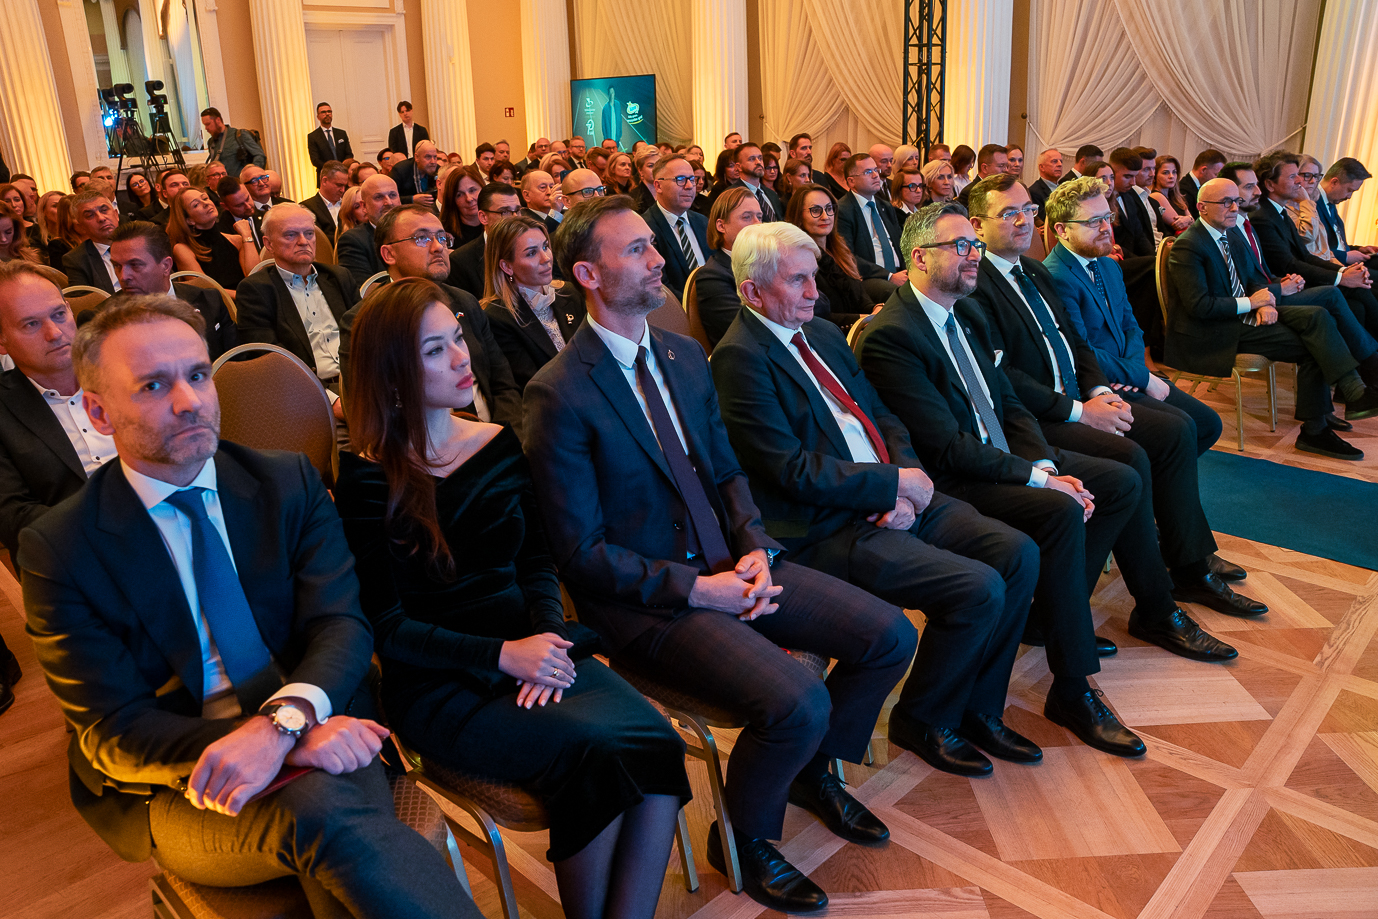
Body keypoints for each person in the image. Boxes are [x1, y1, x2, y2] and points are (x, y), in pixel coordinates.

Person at [20, 293, 480, 917]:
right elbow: (112, 732)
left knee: (327, 820)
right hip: (186, 781)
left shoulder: (286, 482)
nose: (188, 401)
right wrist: (282, 740)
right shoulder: (62, 546)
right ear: (99, 412)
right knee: (323, 810)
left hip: (319, 722)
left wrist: (287, 722)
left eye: (197, 375)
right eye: (153, 385)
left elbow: (340, 625)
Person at [525, 196, 917, 913]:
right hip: (651, 604)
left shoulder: (682, 357)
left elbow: (728, 473)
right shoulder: (559, 392)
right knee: (798, 699)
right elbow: (580, 553)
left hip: (731, 564)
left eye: (654, 244)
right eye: (636, 250)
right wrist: (700, 590)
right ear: (587, 272)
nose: (659, 260)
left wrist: (756, 548)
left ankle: (809, 771)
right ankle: (744, 833)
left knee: (889, 636)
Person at [335, 276, 687, 919]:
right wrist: (505, 656)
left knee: (657, 742)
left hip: (537, 651)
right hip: (443, 683)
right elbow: (386, 626)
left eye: (458, 338)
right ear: (392, 376)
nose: (462, 357)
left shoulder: (497, 444)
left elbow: (536, 563)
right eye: (435, 350)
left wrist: (547, 638)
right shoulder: (365, 478)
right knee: (594, 753)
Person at [711, 222, 1043, 777]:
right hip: (828, 525)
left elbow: (881, 413)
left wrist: (906, 475)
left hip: (890, 491)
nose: (815, 291)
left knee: (1016, 554)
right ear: (752, 292)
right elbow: (789, 469)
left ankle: (977, 708)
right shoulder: (738, 358)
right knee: (976, 587)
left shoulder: (820, 333)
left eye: (814, 276)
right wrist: (890, 486)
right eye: (797, 281)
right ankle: (920, 721)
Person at [858, 201, 1156, 758]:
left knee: (1118, 481)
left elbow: (1008, 402)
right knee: (1059, 511)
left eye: (974, 244)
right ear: (919, 257)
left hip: (1000, 457)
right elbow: (946, 447)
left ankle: (1051, 618)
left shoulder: (965, 313)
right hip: (952, 479)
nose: (974, 255)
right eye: (960, 246)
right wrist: (1039, 482)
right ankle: (1072, 689)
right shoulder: (892, 336)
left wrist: (1044, 467)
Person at [965, 175, 1261, 637]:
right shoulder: (975, 283)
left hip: (1081, 394)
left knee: (1175, 434)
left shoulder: (1034, 271)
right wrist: (1084, 409)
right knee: (1141, 456)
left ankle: (1176, 574)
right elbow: (1001, 378)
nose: (1024, 220)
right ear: (977, 226)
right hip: (1035, 416)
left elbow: (1078, 345)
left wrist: (1100, 389)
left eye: (1027, 210)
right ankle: (1160, 598)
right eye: (1009, 213)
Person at [1167, 177, 1378, 458]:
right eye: (1226, 202)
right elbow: (1199, 307)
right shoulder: (1189, 245)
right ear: (1202, 207)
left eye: (1236, 201)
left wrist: (1263, 301)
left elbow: (1253, 278)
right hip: (1214, 331)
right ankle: (1322, 424)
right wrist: (1253, 302)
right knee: (1316, 342)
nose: (1234, 208)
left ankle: (1347, 397)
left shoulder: (1230, 233)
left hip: (1244, 316)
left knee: (1318, 317)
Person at [1043, 178, 1223, 455]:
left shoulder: (1107, 266)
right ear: (1062, 230)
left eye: (1107, 217)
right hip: (1097, 384)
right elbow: (1079, 351)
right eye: (1093, 221)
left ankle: (1159, 475)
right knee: (1181, 428)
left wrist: (1137, 371)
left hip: (1128, 374)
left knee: (1208, 423)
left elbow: (1131, 326)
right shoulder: (1055, 276)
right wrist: (1141, 377)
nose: (1106, 228)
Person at [340, 204, 523, 435]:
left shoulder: (464, 301)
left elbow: (503, 383)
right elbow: (373, 412)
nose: (438, 247)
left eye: (442, 237)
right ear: (389, 254)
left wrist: (506, 437)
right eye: (421, 238)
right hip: (423, 444)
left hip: (493, 433)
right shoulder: (365, 320)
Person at [0, 260, 117, 560]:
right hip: (72, 558)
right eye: (31, 324)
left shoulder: (124, 373)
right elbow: (12, 516)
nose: (54, 333)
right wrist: (113, 525)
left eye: (58, 314)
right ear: (2, 340)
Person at [1250, 152, 1378, 342]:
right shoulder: (1267, 215)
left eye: (1313, 176)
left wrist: (1343, 271)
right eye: (1294, 176)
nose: (1301, 181)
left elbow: (1308, 254)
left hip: (1304, 273)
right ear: (1270, 184)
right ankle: (1371, 356)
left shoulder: (1279, 211)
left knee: (1360, 295)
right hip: (1288, 282)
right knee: (1357, 291)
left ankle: (1367, 356)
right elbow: (1293, 258)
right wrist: (1341, 276)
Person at [479, 216, 585, 391]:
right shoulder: (497, 316)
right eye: (531, 253)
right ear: (507, 266)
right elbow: (532, 383)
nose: (546, 258)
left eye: (545, 247)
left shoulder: (569, 292)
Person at [109, 221, 238, 360]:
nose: (123, 276)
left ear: (166, 265)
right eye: (117, 266)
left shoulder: (210, 301)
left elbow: (237, 363)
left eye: (135, 265)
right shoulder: (104, 319)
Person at [786, 185, 879, 334]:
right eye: (816, 210)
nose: (825, 216)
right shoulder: (798, 261)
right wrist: (864, 319)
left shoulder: (840, 249)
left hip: (861, 328)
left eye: (829, 209)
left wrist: (875, 308)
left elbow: (860, 297)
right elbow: (818, 316)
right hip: (828, 334)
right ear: (799, 216)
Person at [693, 188, 762, 346]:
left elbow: (816, 304)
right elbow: (748, 330)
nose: (758, 224)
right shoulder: (712, 276)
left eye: (759, 217)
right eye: (747, 217)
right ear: (721, 226)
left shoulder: (768, 262)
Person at [639, 156, 709, 301]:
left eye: (692, 179)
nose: (689, 186)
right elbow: (659, 286)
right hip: (677, 309)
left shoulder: (702, 222)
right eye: (680, 179)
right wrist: (694, 307)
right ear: (658, 186)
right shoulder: (645, 228)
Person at [835, 154, 908, 292]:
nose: (876, 176)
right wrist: (889, 276)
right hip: (869, 277)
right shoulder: (844, 210)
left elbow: (902, 243)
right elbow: (847, 256)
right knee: (893, 292)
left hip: (899, 273)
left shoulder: (885, 206)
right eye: (868, 172)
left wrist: (907, 271)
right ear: (851, 181)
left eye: (876, 170)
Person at [168, 188, 257, 293]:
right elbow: (205, 290)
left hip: (247, 297)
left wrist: (247, 235)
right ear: (189, 220)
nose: (206, 203)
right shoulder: (182, 249)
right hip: (221, 302)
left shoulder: (236, 240)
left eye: (205, 198)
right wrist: (244, 297)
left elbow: (256, 277)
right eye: (196, 205)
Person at [448, 182, 522, 297]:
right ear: (483, 217)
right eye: (505, 212)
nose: (515, 218)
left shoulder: (532, 248)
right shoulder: (460, 261)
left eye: (517, 211)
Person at [337, 174, 401, 289]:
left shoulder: (418, 231)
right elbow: (364, 289)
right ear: (364, 206)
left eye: (392, 195)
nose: (388, 202)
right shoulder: (353, 241)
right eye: (379, 197)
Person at [1315, 157, 1378, 272]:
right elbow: (1312, 250)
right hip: (1332, 266)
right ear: (1334, 182)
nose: (1349, 196)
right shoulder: (1312, 203)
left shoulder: (1330, 202)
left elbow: (1337, 244)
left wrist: (1359, 249)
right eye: (1349, 190)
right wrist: (1345, 256)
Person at [62, 190, 123, 293]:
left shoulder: (141, 242)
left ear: (116, 215)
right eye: (90, 215)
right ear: (81, 226)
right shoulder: (77, 260)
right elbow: (84, 300)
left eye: (104, 210)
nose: (101, 218)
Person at [715, 143, 782, 223]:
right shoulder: (731, 195)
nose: (758, 162)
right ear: (738, 167)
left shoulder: (771, 194)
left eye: (760, 158)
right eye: (751, 159)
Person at [201, 108, 264, 173]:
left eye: (208, 124)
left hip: (240, 178)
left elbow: (260, 155)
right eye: (204, 125)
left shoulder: (240, 135)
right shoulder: (211, 142)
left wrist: (252, 174)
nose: (206, 128)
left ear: (218, 120)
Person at [300, 160, 350, 241]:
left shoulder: (348, 204)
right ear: (324, 181)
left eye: (345, 186)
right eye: (339, 185)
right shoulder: (307, 207)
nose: (343, 190)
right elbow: (317, 238)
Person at [439, 164, 485, 247]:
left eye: (472, 190)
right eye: (459, 195)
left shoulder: (497, 223)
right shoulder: (445, 235)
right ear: (452, 200)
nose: (469, 199)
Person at [215, 176, 265, 252]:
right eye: (239, 205)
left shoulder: (266, 217)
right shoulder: (221, 231)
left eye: (247, 199)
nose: (248, 206)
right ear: (225, 206)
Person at [391, 140, 441, 208]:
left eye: (435, 157)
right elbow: (391, 198)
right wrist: (411, 199)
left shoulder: (438, 170)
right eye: (428, 157)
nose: (433, 161)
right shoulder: (400, 170)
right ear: (416, 157)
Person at [307, 101, 353, 175]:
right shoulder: (313, 136)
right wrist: (332, 169)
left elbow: (349, 154)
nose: (327, 114)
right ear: (318, 117)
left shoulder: (341, 133)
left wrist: (342, 168)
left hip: (343, 173)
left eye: (329, 111)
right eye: (323, 112)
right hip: (325, 174)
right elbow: (315, 160)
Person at [1180, 149, 1226, 218]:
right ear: (1203, 170)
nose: (1218, 179)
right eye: (1216, 174)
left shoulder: (1200, 186)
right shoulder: (1184, 190)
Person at [520, 170, 562, 235]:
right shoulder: (522, 221)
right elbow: (542, 237)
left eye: (551, 187)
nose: (549, 192)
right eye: (542, 187)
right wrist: (555, 212)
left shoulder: (563, 212)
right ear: (527, 195)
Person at [1028, 149, 1063, 214]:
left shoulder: (1063, 188)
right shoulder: (1034, 192)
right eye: (1054, 161)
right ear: (1042, 167)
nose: (1060, 164)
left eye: (1061, 161)